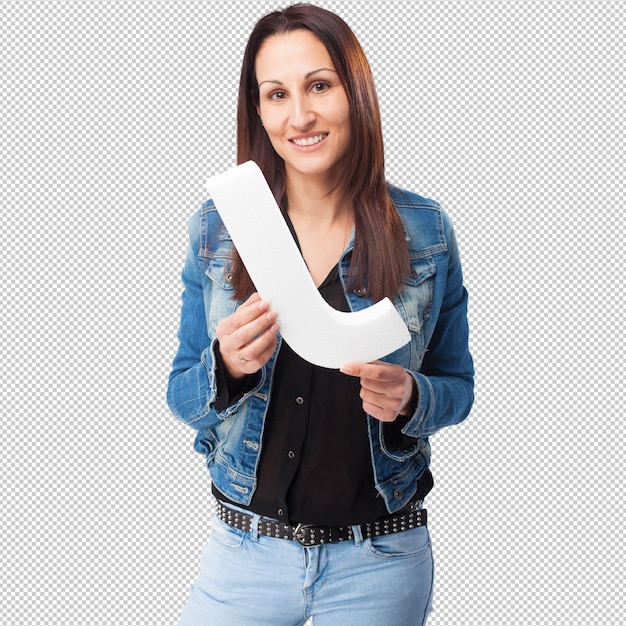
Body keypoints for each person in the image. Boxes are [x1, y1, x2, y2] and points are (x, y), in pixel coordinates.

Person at [167, 4, 474, 625]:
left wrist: (414, 399)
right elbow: (180, 394)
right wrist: (224, 367)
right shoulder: (219, 228)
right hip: (245, 556)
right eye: (276, 94)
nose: (300, 115)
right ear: (258, 110)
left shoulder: (426, 231)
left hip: (380, 560)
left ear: (354, 93)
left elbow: (458, 387)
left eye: (319, 86)